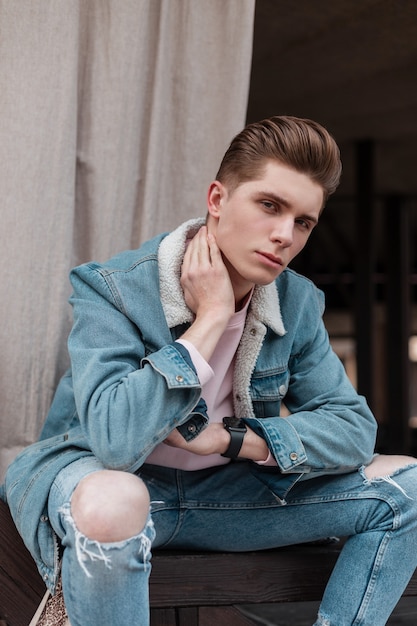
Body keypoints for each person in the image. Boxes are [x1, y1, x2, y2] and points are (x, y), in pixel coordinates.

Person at [3, 115, 417, 626]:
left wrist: (230, 439)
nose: (285, 235)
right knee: (116, 499)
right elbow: (114, 440)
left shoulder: (297, 301)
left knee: (410, 488)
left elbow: (354, 429)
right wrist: (211, 319)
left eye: (304, 222)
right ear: (217, 200)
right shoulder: (113, 288)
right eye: (270, 206)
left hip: (224, 499)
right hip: (109, 494)